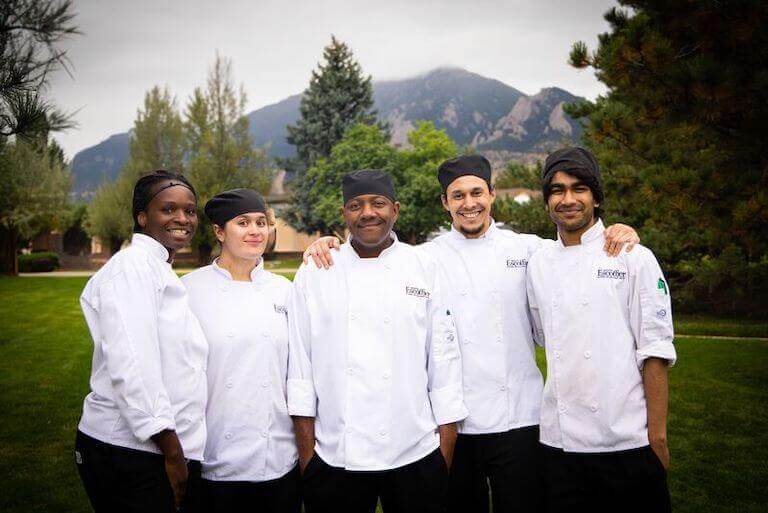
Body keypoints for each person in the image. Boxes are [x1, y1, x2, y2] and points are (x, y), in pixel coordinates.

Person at [302, 155, 639, 512]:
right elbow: (376, 255)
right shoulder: (425, 258)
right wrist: (325, 244)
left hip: (519, 419)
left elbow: (576, 251)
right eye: (458, 196)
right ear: (445, 203)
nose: (469, 204)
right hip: (456, 425)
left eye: (477, 192)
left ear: (492, 195)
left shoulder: (529, 250)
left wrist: (617, 231)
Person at [287, 169, 468, 513]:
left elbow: (443, 363)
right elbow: (300, 370)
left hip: (415, 451)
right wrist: (309, 458)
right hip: (336, 454)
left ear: (395, 210)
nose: (367, 212)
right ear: (344, 214)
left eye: (378, 203)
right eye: (356, 205)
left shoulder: (423, 267)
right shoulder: (316, 271)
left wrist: (442, 455)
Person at [526, 147, 676, 513]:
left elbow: (655, 352)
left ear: (596, 197)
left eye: (579, 188)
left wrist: (656, 437)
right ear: (547, 200)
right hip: (557, 446)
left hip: (625, 442)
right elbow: (541, 334)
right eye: (557, 190)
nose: (568, 199)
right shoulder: (539, 263)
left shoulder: (633, 257)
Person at [74, 170, 208, 512]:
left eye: (190, 210)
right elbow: (134, 366)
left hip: (153, 450)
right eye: (169, 209)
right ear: (142, 216)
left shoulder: (157, 268)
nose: (182, 218)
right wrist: (173, 452)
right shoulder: (132, 268)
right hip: (129, 450)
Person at [182, 189, 300, 513]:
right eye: (243, 222)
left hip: (277, 458)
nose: (255, 231)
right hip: (215, 459)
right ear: (219, 232)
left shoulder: (286, 291)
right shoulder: (188, 292)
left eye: (262, 222)